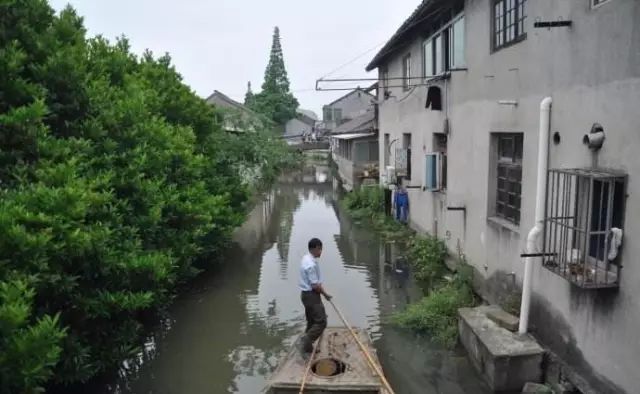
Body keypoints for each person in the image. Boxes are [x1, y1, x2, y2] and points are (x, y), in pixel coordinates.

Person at [299, 238, 332, 356]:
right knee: (321, 322)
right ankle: (306, 342)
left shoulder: (306, 258)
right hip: (311, 296)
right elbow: (315, 286)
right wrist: (325, 294)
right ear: (316, 248)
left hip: (305, 295)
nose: (321, 252)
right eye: (320, 249)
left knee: (312, 321)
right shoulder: (311, 265)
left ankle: (307, 346)